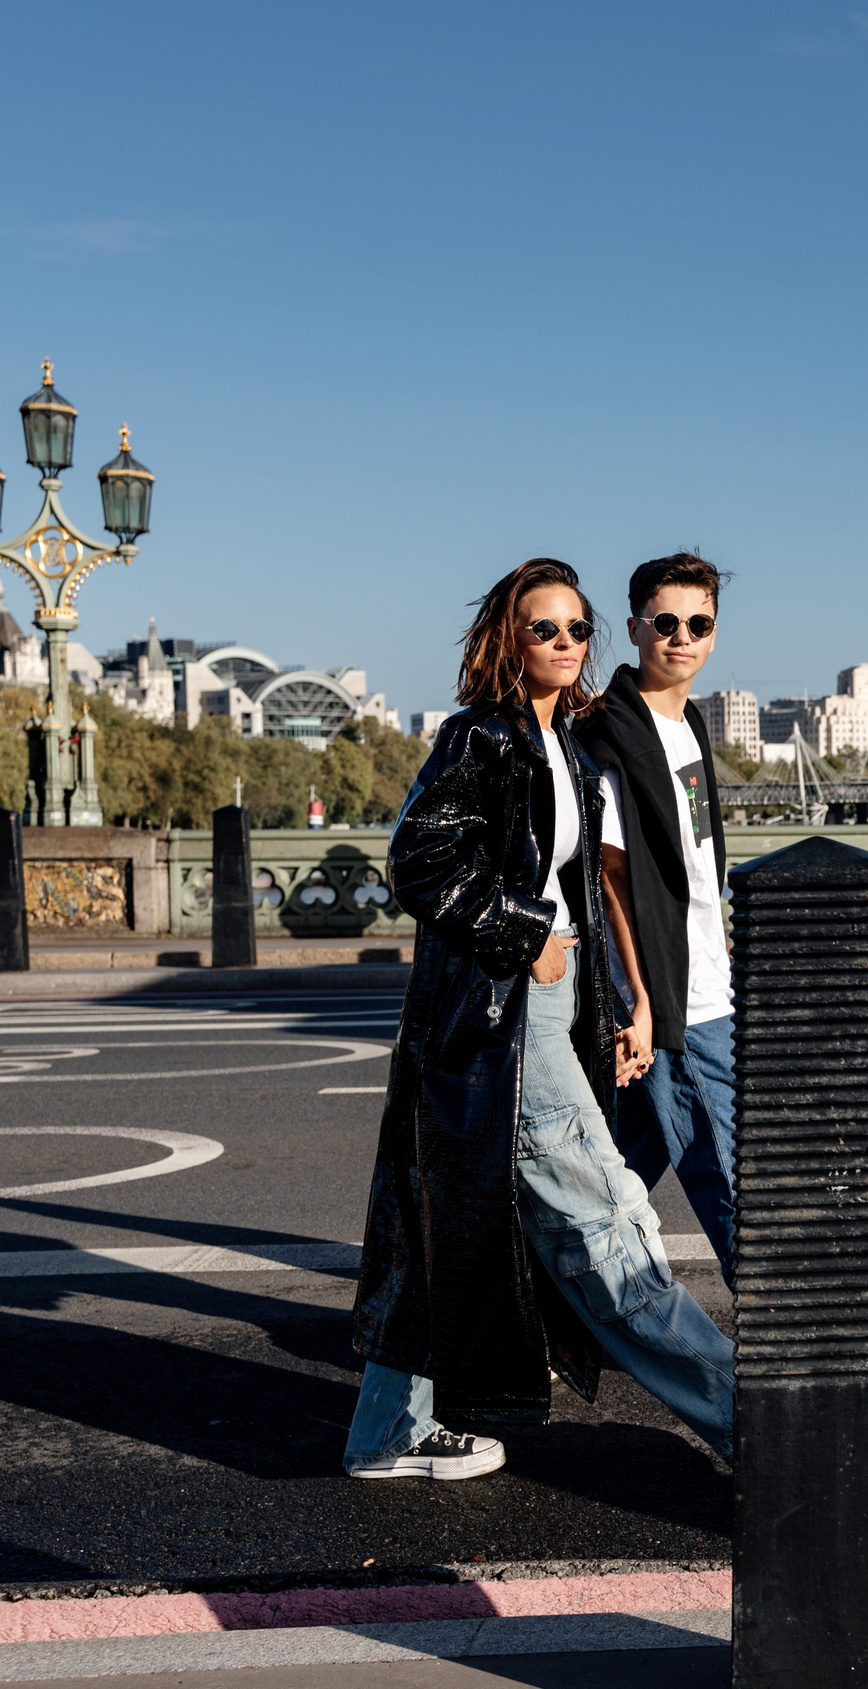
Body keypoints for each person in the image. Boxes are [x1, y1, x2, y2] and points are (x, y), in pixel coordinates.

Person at [344, 557, 735, 1482]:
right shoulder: (480, 736)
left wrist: (619, 999)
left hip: (554, 1006)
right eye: (543, 628)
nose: (564, 642)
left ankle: (388, 1430)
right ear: (507, 639)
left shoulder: (564, 744)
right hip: (504, 1013)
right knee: (606, 1222)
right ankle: (755, 1419)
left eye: (575, 629)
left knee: (459, 1217)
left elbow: (589, 883)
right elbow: (418, 859)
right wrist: (527, 936)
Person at [578, 553, 737, 1280]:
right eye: (665, 621)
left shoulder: (687, 725)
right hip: (674, 1000)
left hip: (703, 977)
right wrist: (644, 1001)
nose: (682, 637)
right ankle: (780, 1327)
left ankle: (547, 1315)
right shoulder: (616, 734)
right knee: (730, 1175)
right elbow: (612, 877)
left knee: (611, 1183)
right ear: (636, 626)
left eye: (698, 624)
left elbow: (696, 864)